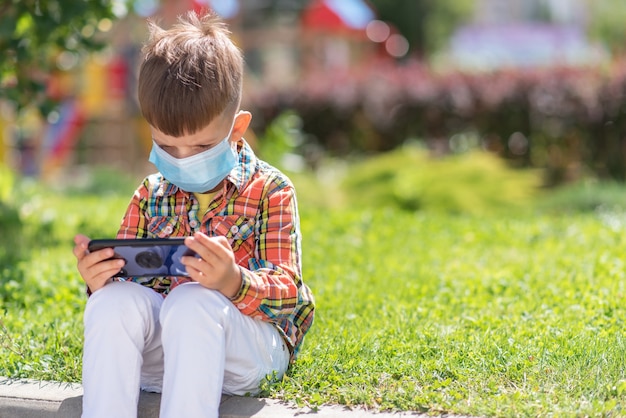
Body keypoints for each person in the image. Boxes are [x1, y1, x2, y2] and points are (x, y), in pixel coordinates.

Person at [72, 10, 315, 418]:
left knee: (192, 300)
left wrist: (233, 282)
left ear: (237, 130)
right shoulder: (150, 195)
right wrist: (101, 282)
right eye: (167, 146)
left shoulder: (270, 190)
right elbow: (131, 293)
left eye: (201, 147)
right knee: (112, 304)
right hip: (170, 355)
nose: (182, 158)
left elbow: (288, 290)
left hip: (246, 352)